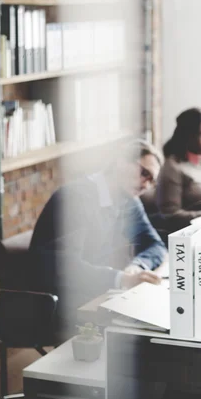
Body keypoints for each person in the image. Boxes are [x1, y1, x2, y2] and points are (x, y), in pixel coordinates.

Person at [30, 138, 167, 335]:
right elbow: (65, 269)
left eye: (152, 180)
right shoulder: (76, 199)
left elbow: (156, 246)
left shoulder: (128, 200)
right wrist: (122, 279)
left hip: (98, 293)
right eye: (144, 173)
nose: (147, 184)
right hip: (59, 301)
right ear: (121, 161)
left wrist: (137, 267)